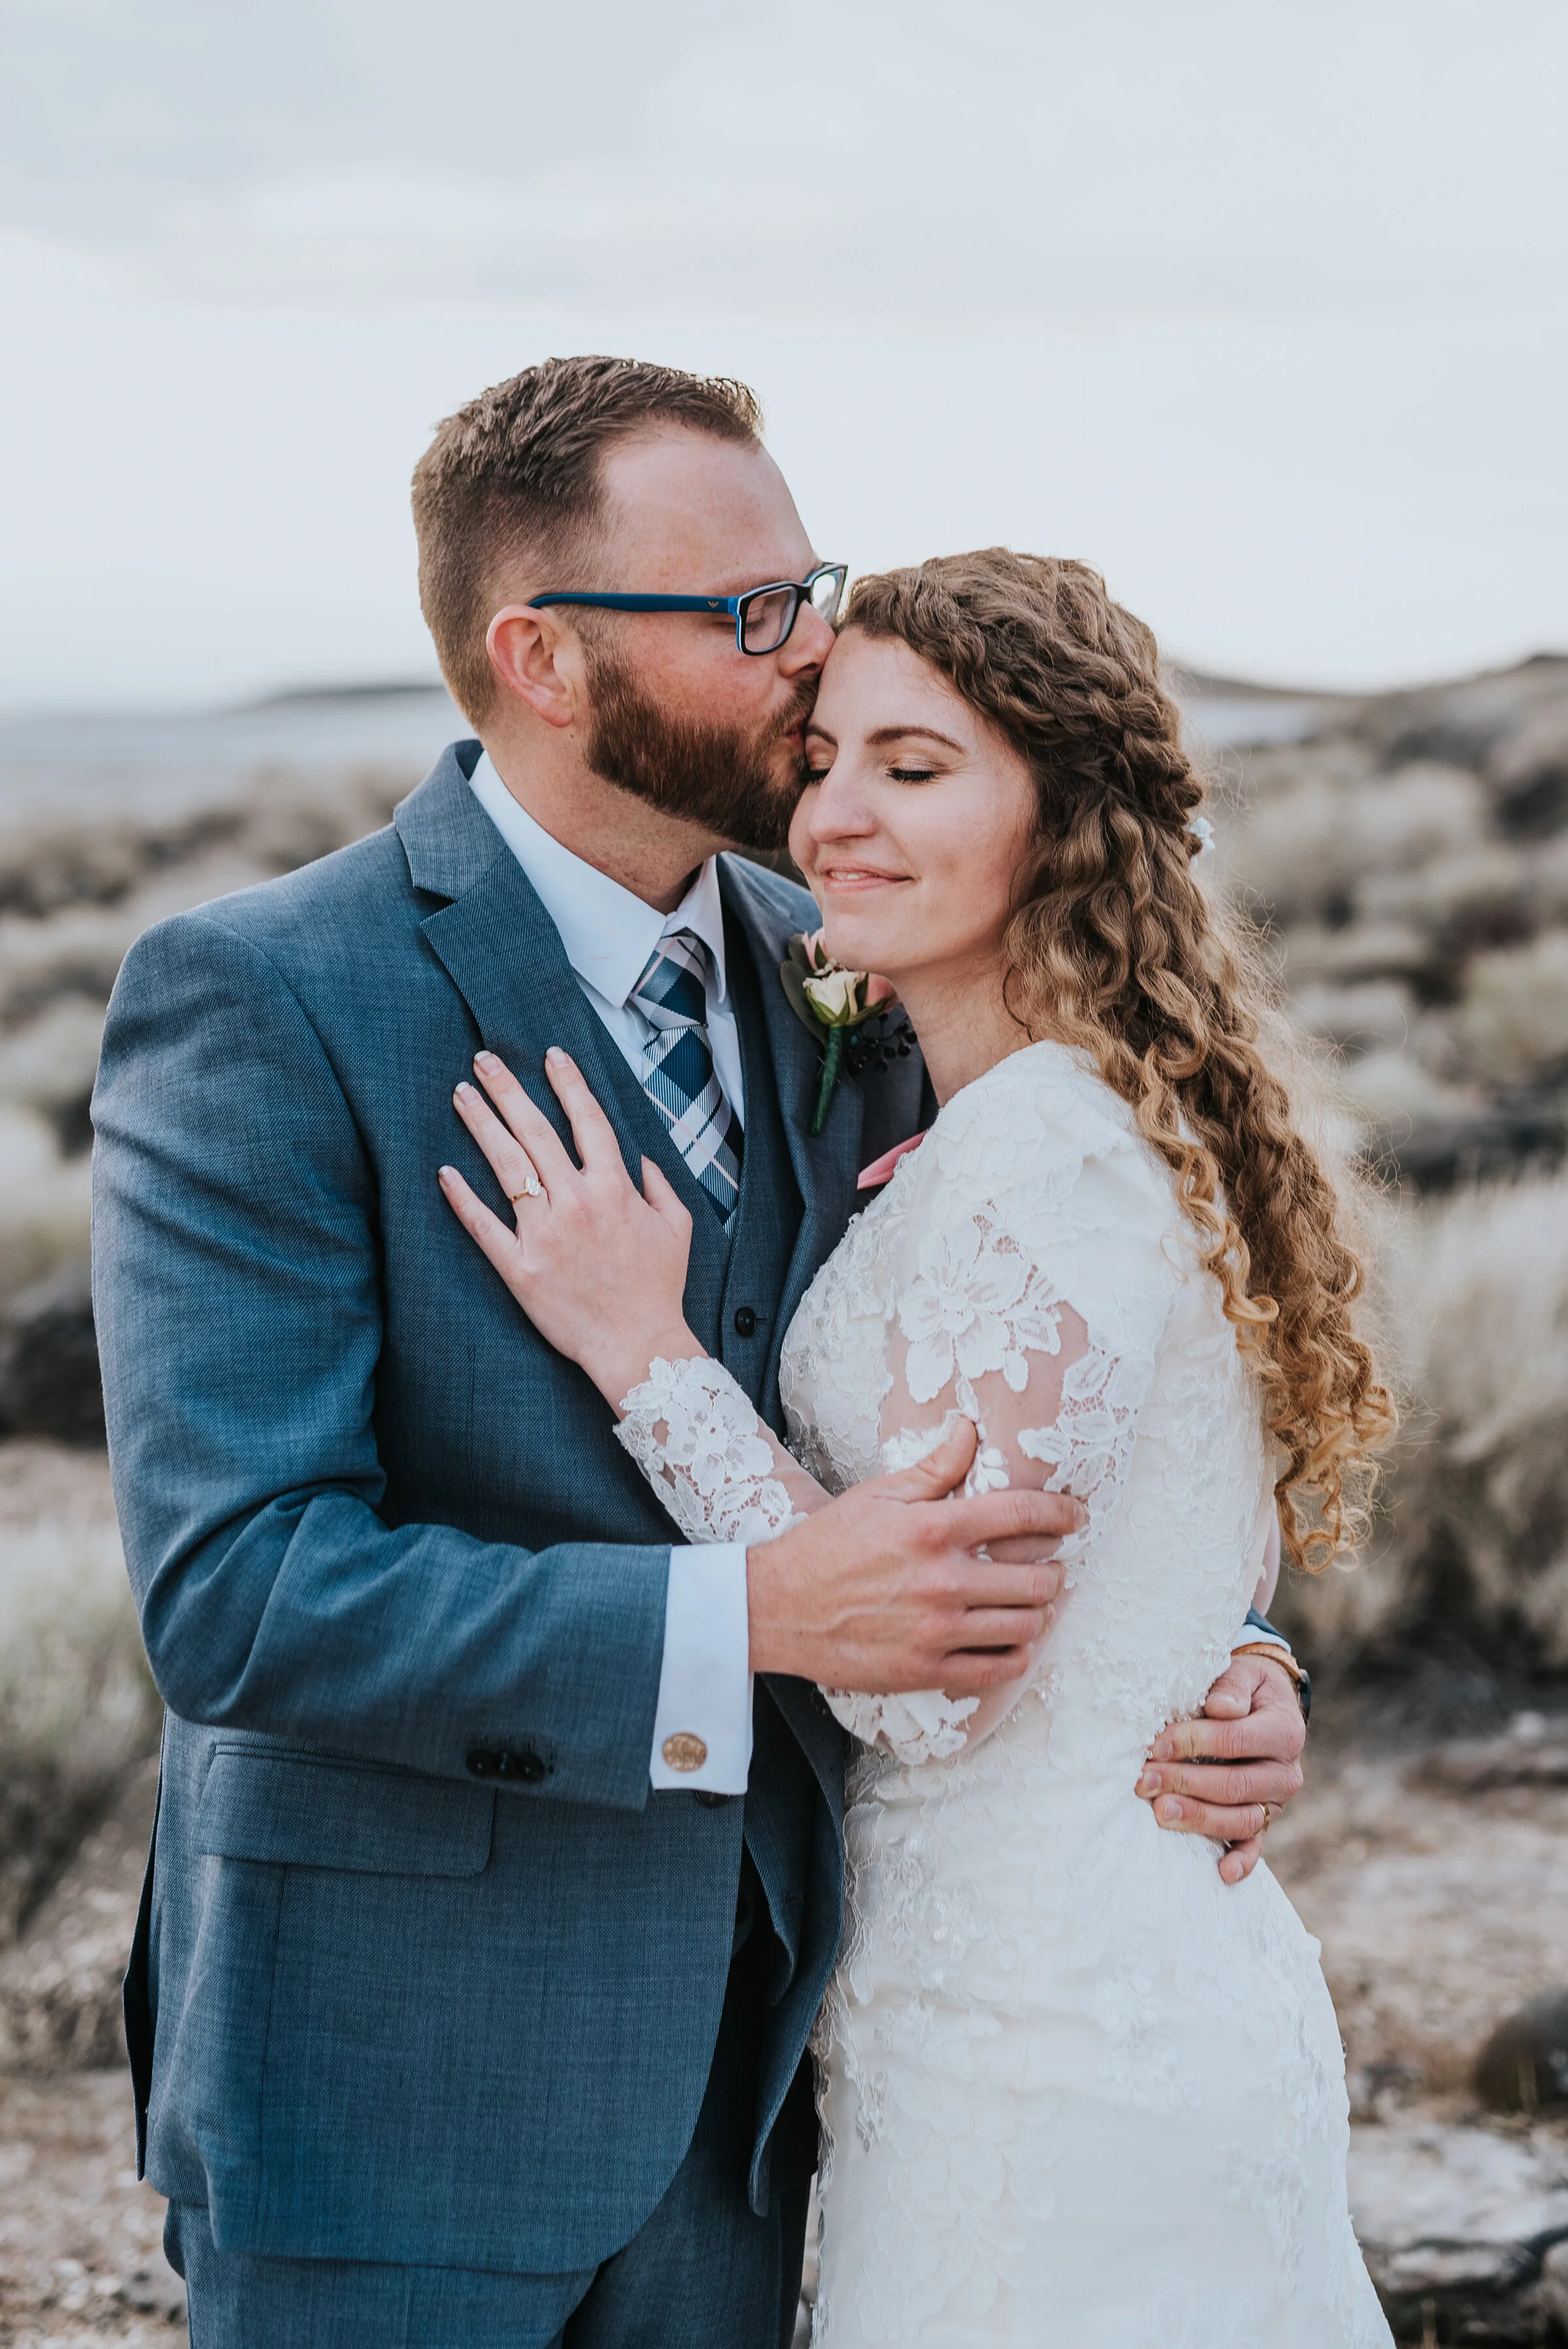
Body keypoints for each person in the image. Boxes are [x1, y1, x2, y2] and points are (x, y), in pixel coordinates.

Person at [92, 359, 1309, 2349]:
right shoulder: (264, 1000)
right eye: (751, 613)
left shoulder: (853, 961)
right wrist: (742, 1615)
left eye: (808, 583)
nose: (812, 645)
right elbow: (239, 1595)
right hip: (405, 2091)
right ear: (545, 658)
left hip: (776, 2098)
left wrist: (1227, 1656)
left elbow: (1074, 1360)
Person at [438, 546, 1394, 2343]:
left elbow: (926, 1687)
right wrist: (1237, 1654)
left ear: (1070, 822)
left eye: (917, 766)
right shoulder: (991, 1112)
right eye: (827, 762)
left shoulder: (1050, 1158)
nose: (834, 818)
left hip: (1057, 2030)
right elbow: (1200, 1533)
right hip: (981, 2000)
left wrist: (649, 1356)